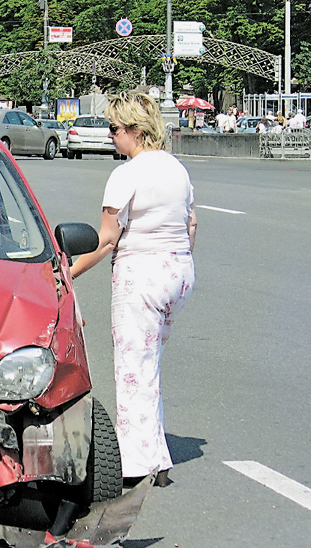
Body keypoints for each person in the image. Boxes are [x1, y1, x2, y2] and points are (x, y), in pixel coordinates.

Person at [69, 90, 197, 488]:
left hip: (141, 274)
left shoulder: (126, 174)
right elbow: (192, 224)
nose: (110, 136)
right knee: (150, 364)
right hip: (178, 271)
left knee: (132, 370)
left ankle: (138, 463)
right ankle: (156, 452)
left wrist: (66, 273)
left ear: (135, 131)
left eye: (113, 129)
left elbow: (106, 240)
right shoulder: (176, 168)